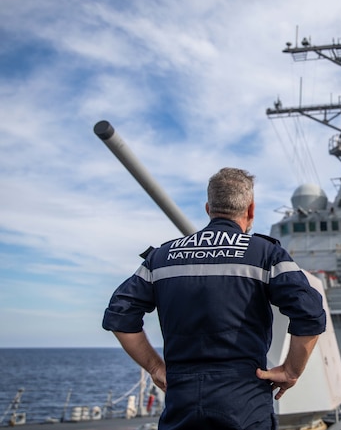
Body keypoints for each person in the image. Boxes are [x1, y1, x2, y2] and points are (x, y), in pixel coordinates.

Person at [102, 167, 326, 430]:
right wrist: (291, 370)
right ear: (251, 210)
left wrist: (155, 367)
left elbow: (119, 315)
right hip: (245, 402)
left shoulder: (161, 257)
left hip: (181, 401)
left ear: (208, 208)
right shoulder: (266, 255)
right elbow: (309, 313)